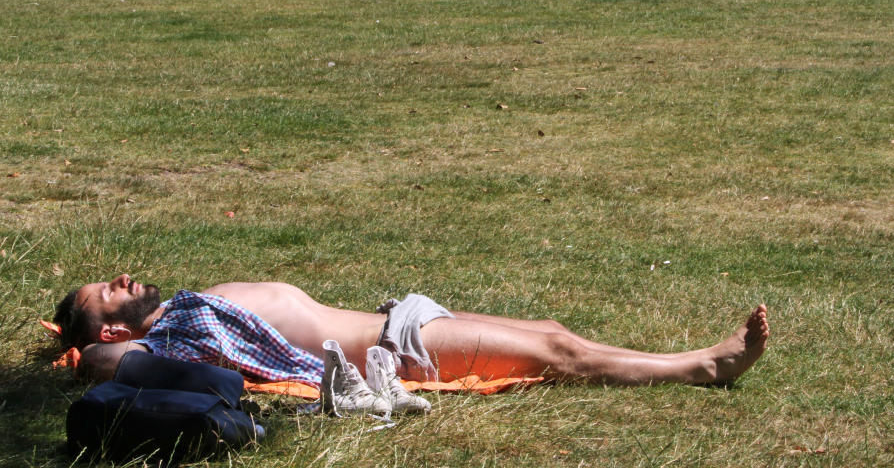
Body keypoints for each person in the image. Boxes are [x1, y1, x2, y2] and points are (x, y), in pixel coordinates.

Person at [53, 274, 769, 392]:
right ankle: (704, 366)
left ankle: (697, 361)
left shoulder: (183, 309)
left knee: (552, 332)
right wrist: (81, 350)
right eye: (108, 292)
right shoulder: (159, 344)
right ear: (109, 324)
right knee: (558, 355)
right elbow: (107, 367)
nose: (122, 278)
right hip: (397, 351)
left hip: (401, 318)